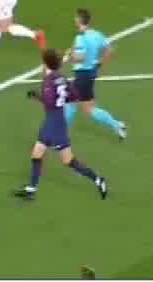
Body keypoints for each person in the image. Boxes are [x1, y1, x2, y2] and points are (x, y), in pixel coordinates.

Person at [16, 48, 110, 202]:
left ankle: (98, 179)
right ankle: (31, 189)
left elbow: (49, 102)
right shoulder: (62, 78)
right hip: (57, 121)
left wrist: (36, 96)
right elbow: (75, 96)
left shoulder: (48, 81)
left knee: (66, 160)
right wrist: (60, 100)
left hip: (53, 124)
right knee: (38, 154)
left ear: (45, 63)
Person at [65, 8, 129, 140]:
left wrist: (70, 55)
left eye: (76, 18)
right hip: (90, 74)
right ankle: (117, 125)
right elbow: (109, 49)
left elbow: (80, 57)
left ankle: (61, 136)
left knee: (70, 102)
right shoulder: (97, 34)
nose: (74, 20)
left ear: (79, 20)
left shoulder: (80, 37)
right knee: (89, 109)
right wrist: (99, 64)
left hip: (82, 75)